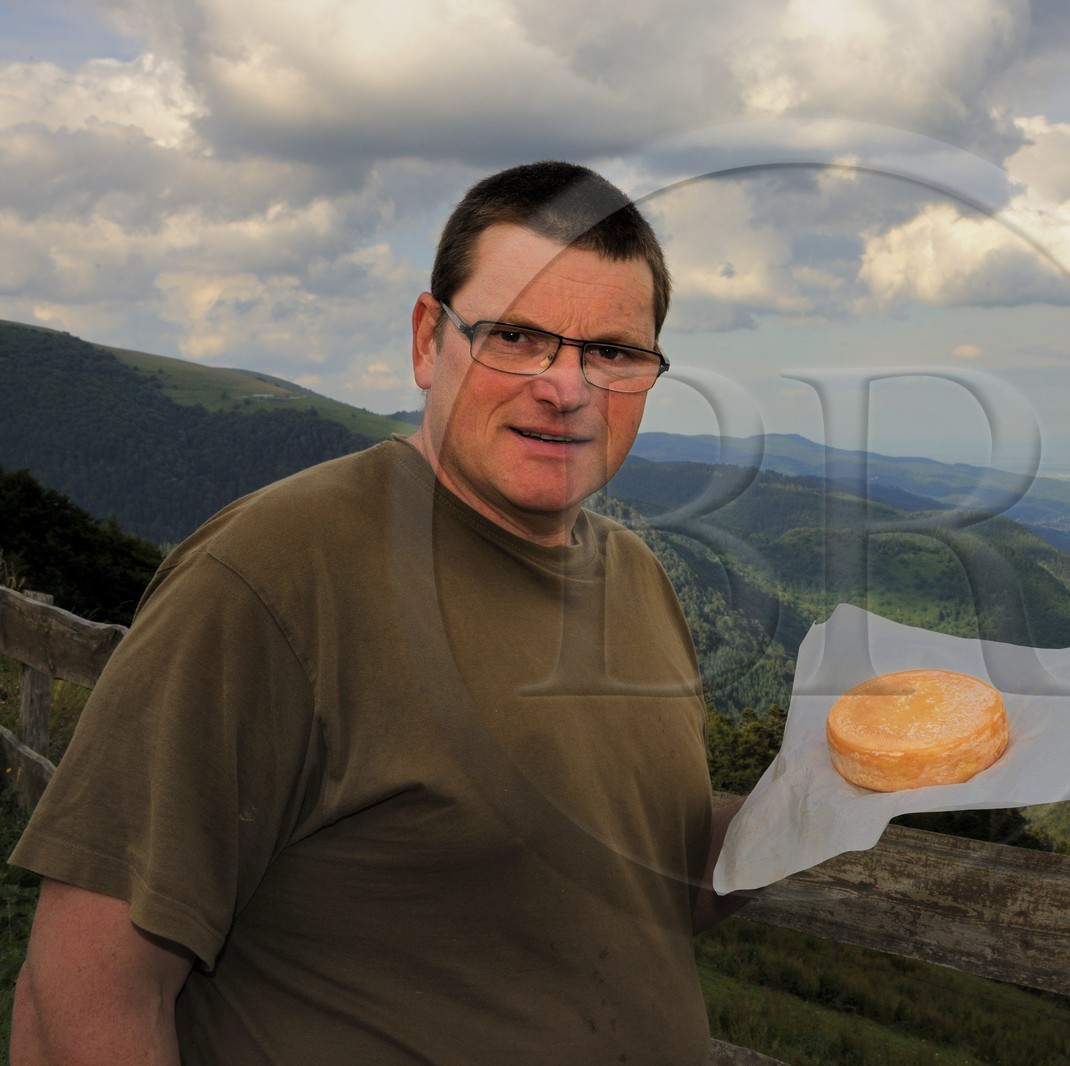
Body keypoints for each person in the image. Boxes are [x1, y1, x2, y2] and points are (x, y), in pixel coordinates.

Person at [9, 161, 746, 1064]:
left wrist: (824, 797)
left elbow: (646, 881)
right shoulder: (275, 574)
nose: (568, 388)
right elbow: (79, 993)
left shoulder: (636, 579)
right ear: (429, 340)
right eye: (515, 336)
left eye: (614, 353)